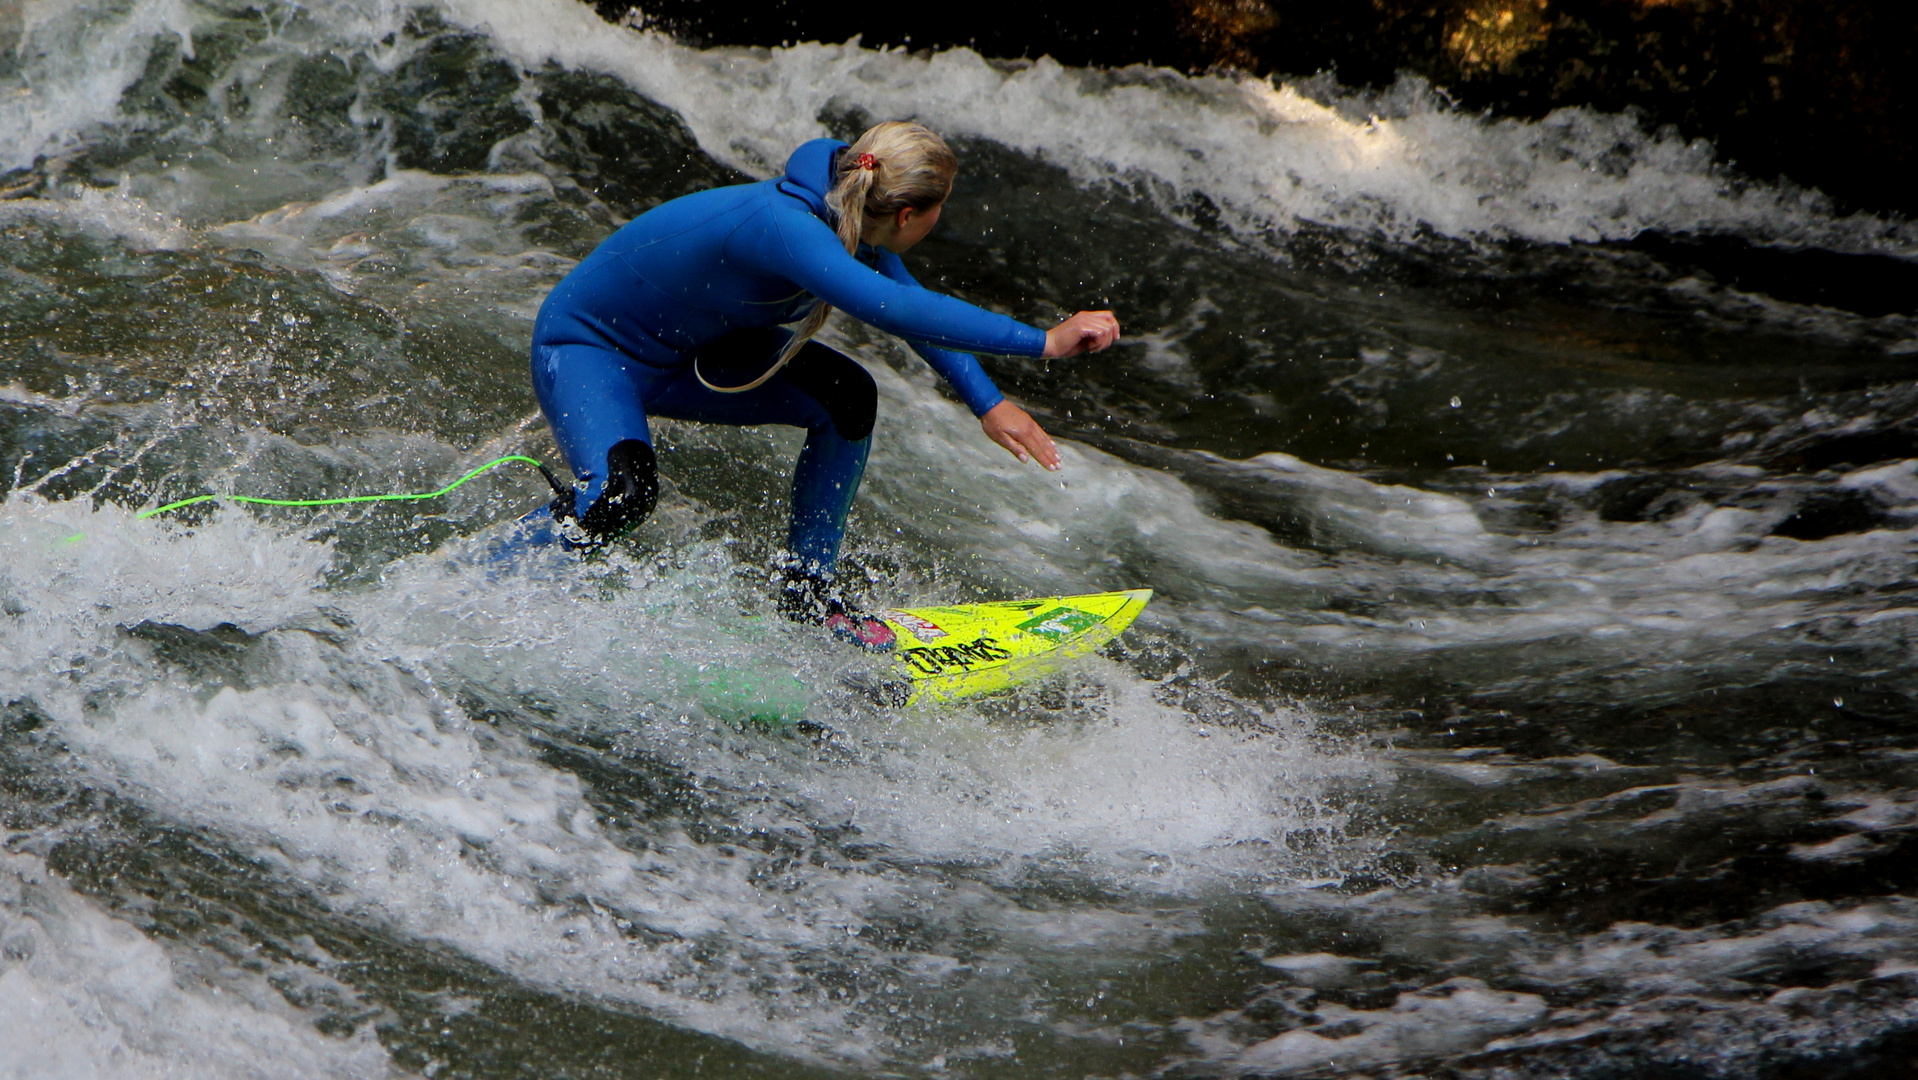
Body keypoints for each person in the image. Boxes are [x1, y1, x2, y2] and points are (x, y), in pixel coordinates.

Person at [524, 120, 1120, 647]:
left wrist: (988, 403)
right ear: (909, 214)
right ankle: (500, 575)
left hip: (697, 354)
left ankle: (807, 595)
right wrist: (1044, 341)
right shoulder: (788, 226)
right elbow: (892, 308)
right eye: (942, 208)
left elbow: (907, 297)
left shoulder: (851, 208)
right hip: (591, 352)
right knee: (621, 497)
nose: (942, 220)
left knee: (847, 399)